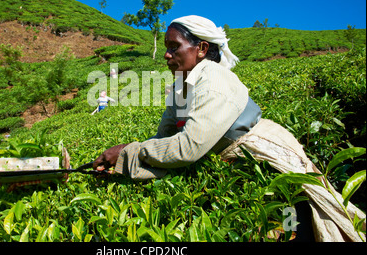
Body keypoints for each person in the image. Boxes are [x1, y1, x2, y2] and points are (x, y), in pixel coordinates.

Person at [93, 15, 365, 242]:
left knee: (295, 228)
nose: (166, 54)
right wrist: (123, 164)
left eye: (174, 47)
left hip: (266, 160)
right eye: (165, 47)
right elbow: (164, 139)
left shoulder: (215, 79)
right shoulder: (180, 87)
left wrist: (128, 153)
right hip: (233, 163)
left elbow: (187, 147)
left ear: (200, 49)